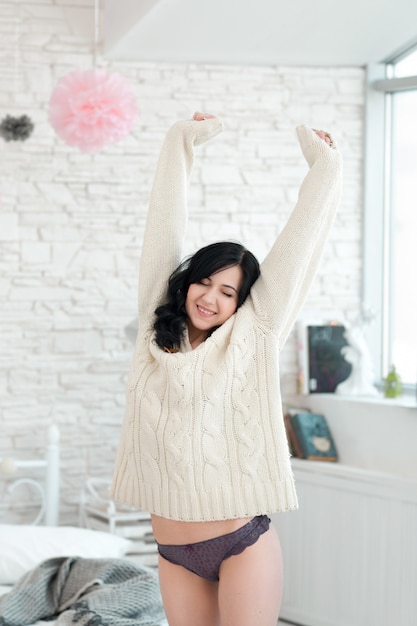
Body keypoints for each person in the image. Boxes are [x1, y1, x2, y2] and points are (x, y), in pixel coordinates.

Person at [111, 111, 342, 626]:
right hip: (174, 553)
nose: (211, 297)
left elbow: (297, 250)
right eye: (204, 282)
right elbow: (162, 226)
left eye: (228, 291)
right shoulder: (156, 328)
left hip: (241, 543)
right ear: (186, 282)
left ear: (242, 303)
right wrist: (180, 143)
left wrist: (324, 168)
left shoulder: (253, 336)